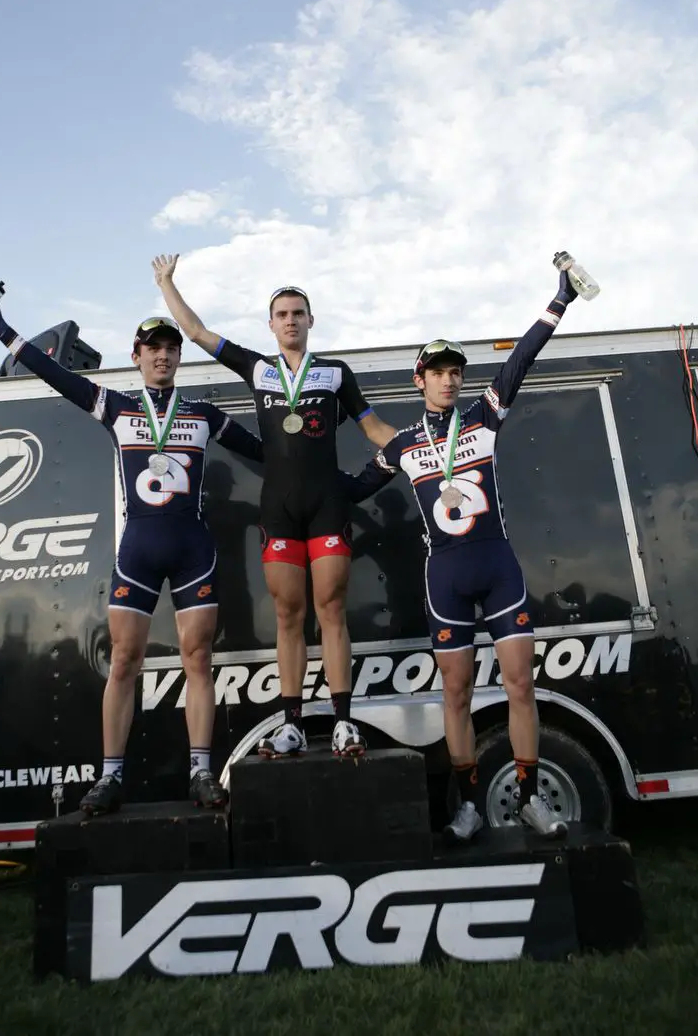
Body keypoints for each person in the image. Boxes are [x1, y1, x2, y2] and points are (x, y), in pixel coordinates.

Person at [0, 299, 264, 815]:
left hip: (193, 549)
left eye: (171, 348)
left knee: (198, 660)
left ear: (179, 358)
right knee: (125, 662)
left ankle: (201, 772)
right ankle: (110, 777)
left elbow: (267, 453)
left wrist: (306, 437)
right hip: (139, 549)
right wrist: (1, 328)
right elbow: (55, 374)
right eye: (153, 347)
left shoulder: (202, 415)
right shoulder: (116, 407)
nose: (163, 355)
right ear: (136, 356)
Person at [347, 268, 580, 839]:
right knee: (457, 693)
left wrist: (560, 300)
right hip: (445, 576)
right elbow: (350, 491)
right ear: (419, 380)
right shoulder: (402, 446)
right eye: (439, 373)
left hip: (497, 565)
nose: (450, 382)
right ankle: (471, 804)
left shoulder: (483, 416)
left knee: (521, 686)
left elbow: (521, 359)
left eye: (456, 372)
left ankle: (528, 798)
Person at [153, 253, 396, 759]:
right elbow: (196, 332)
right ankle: (291, 725)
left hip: (328, 504)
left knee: (331, 610)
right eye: (282, 314)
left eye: (298, 313)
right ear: (270, 324)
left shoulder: (335, 373)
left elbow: (376, 432)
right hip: (278, 510)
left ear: (310, 321)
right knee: (289, 615)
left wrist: (425, 450)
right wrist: (166, 282)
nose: (290, 320)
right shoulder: (256, 368)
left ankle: (343, 723)